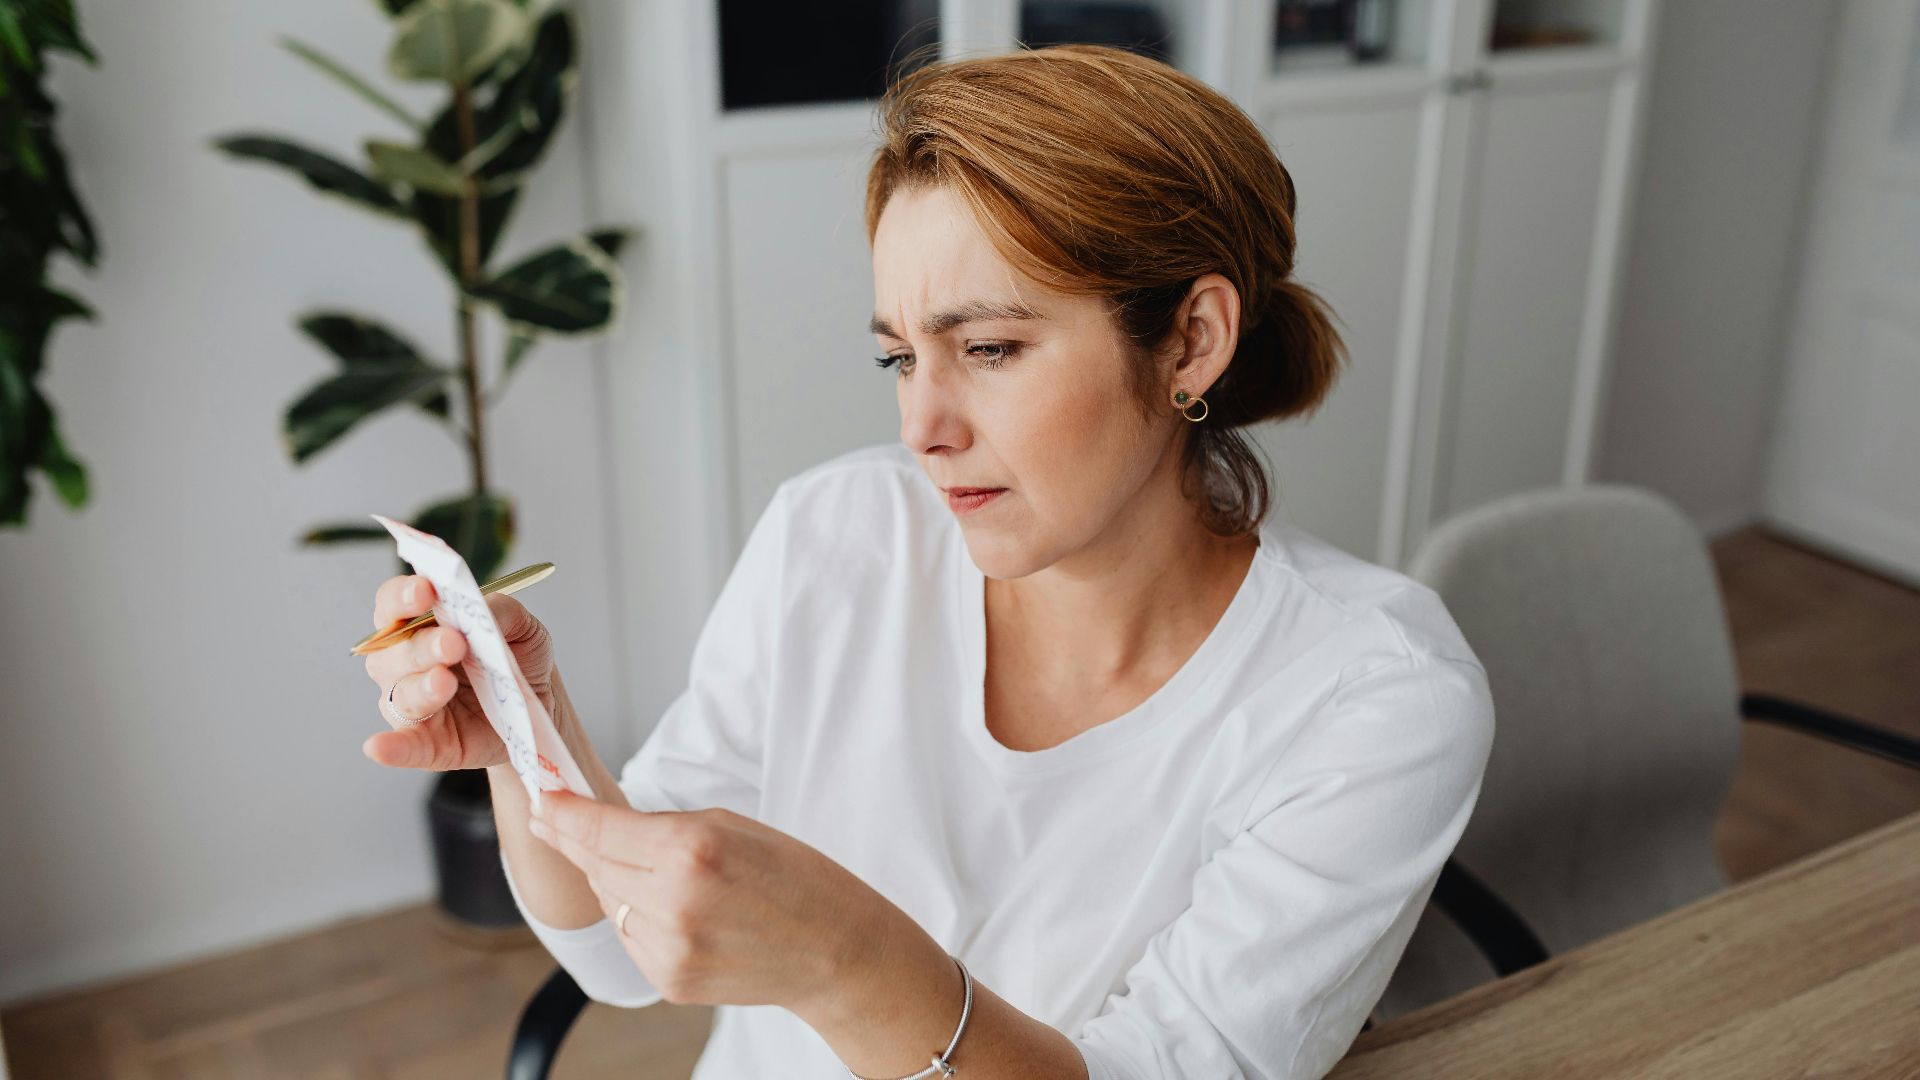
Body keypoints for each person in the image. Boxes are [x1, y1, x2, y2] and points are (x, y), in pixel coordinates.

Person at [360, 43, 1494, 1080]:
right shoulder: (837, 535)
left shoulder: (1375, 699)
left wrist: (847, 960)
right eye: (900, 358)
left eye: (990, 348)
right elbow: (619, 946)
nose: (923, 427)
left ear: (1192, 340)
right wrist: (527, 731)